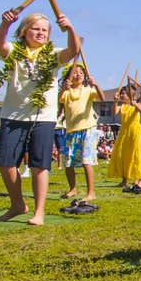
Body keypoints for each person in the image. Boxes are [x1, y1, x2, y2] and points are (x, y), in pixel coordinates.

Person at [0, 9, 79, 223]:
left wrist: (70, 29)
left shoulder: (53, 54)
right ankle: (18, 204)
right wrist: (5, 25)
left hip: (44, 117)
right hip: (13, 114)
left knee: (39, 165)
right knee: (5, 163)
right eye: (35, 28)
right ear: (24, 31)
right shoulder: (14, 51)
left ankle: (39, 211)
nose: (40, 33)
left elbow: (73, 50)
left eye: (44, 30)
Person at [58, 63, 104, 201]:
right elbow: (57, 101)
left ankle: (91, 192)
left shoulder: (88, 90)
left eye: (81, 73)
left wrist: (95, 84)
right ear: (68, 77)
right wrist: (62, 88)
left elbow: (101, 97)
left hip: (88, 129)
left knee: (86, 161)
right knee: (68, 162)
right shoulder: (66, 93)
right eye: (75, 73)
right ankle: (72, 189)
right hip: (71, 130)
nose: (78, 75)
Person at [108, 86, 141, 194]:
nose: (122, 95)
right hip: (124, 131)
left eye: (124, 93)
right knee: (123, 155)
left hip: (135, 131)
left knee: (136, 155)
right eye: (121, 93)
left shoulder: (136, 104)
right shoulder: (121, 106)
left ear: (131, 95)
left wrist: (135, 104)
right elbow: (114, 112)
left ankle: (140, 179)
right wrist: (115, 101)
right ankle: (125, 180)